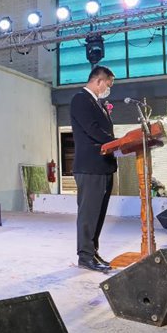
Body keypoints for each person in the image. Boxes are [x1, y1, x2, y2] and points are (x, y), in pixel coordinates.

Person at [70, 66, 118, 272]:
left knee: (98, 213)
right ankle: (85, 255)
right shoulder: (81, 99)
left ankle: (93, 250)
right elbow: (92, 130)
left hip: (103, 166)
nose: (108, 89)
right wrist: (117, 142)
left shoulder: (97, 103)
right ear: (98, 81)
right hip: (90, 167)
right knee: (88, 214)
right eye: (108, 84)